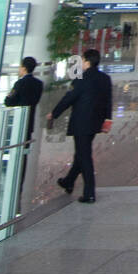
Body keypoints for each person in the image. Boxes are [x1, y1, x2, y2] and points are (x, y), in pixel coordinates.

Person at [47, 48, 113, 204]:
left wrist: (54, 113)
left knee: (84, 157)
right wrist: (107, 119)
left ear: (87, 62)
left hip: (81, 123)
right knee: (81, 154)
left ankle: (89, 192)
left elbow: (68, 99)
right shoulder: (105, 78)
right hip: (95, 122)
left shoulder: (80, 78)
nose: (81, 63)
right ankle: (68, 181)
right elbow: (108, 100)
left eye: (82, 60)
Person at [4, 55, 44, 201]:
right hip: (29, 124)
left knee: (14, 151)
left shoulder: (19, 84)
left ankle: (11, 180)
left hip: (17, 124)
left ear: (24, 68)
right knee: (24, 155)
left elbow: (8, 100)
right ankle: (20, 183)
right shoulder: (39, 84)